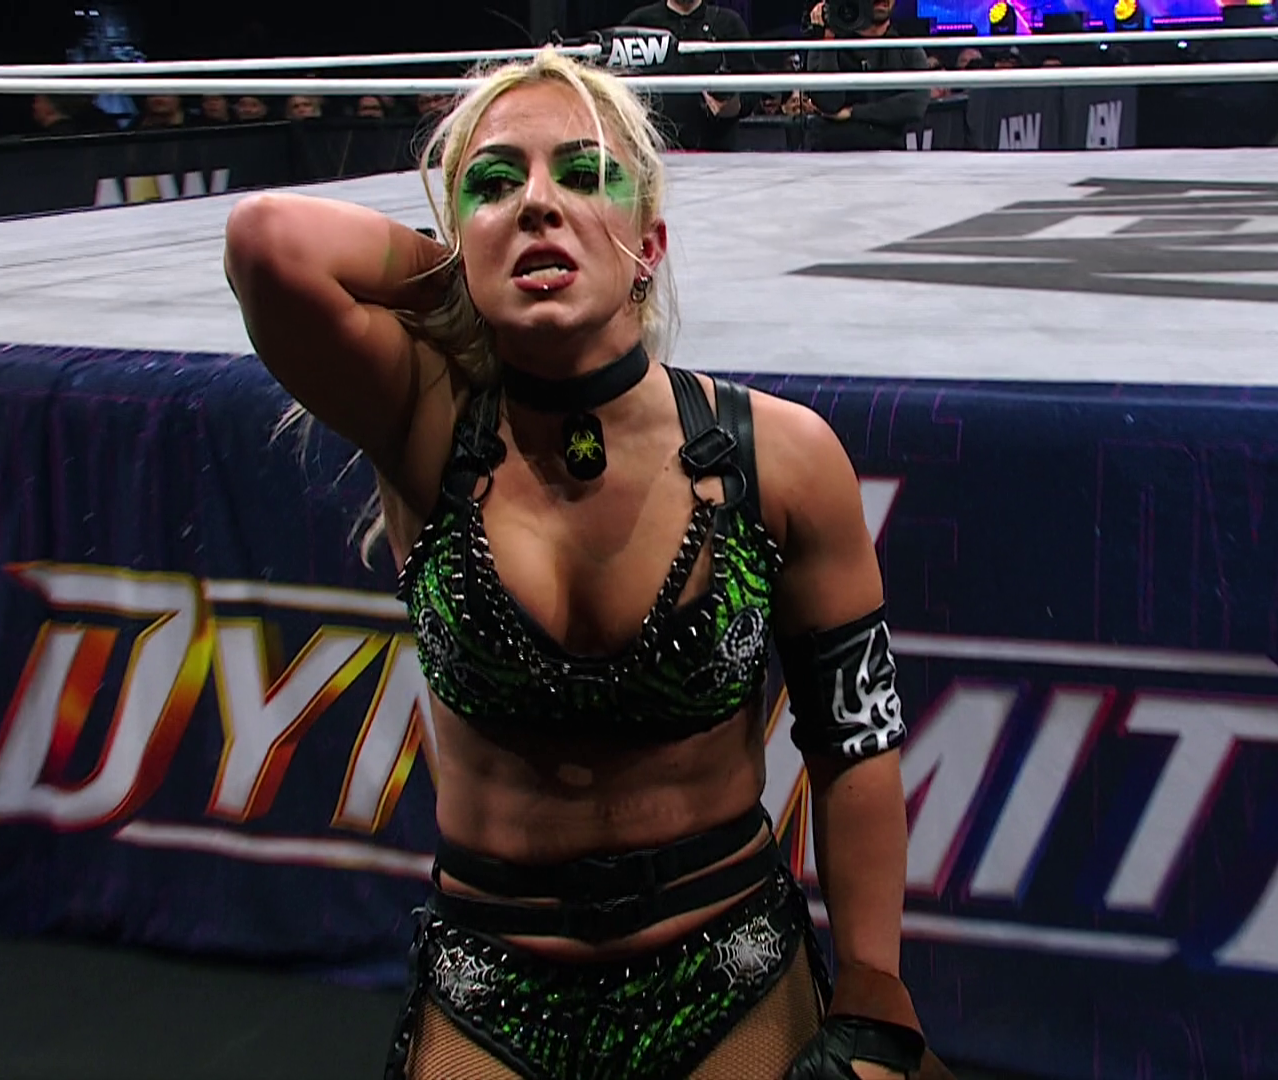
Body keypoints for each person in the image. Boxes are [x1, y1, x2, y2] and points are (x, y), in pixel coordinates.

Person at [225, 47, 941, 1080]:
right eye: (494, 182)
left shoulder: (781, 457)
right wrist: (471, 274)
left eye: (582, 173)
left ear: (649, 244)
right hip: (491, 977)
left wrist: (874, 988)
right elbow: (267, 241)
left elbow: (854, 740)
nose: (536, 201)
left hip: (727, 962)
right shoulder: (425, 426)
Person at [620, 0, 751, 151]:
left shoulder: (729, 24)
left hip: (715, 149)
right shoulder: (639, 23)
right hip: (652, 149)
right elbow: (616, 84)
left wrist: (731, 105)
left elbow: (751, 90)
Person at [800, 0, 930, 151]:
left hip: (888, 152)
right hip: (830, 151)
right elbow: (829, 103)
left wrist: (853, 112)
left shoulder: (905, 46)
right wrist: (829, 38)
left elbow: (916, 104)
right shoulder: (829, 40)